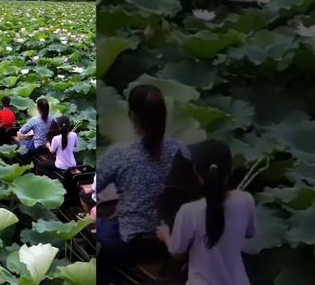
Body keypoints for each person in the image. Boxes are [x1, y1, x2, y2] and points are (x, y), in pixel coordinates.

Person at [96, 84, 187, 261]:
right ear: (164, 115)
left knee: (97, 225)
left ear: (132, 116)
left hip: (134, 241)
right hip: (172, 237)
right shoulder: (181, 151)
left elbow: (96, 185)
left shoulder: (119, 153)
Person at [156, 140, 256, 285]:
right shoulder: (246, 200)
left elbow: (177, 253)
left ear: (195, 171)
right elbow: (250, 233)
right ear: (231, 168)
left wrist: (165, 235)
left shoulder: (189, 211)